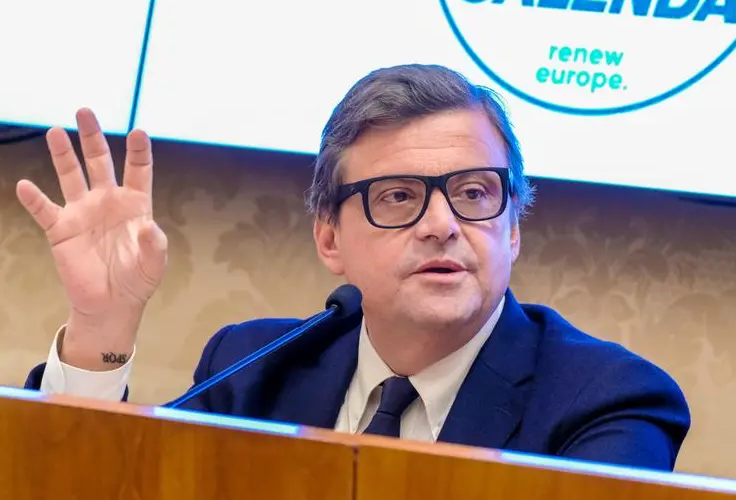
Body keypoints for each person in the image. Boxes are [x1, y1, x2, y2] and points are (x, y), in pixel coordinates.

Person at [19, 64, 690, 469]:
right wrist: (101, 328)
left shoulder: (607, 403)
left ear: (512, 228)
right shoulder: (251, 370)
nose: (442, 224)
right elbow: (101, 484)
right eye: (397, 196)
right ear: (329, 238)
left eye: (474, 193)